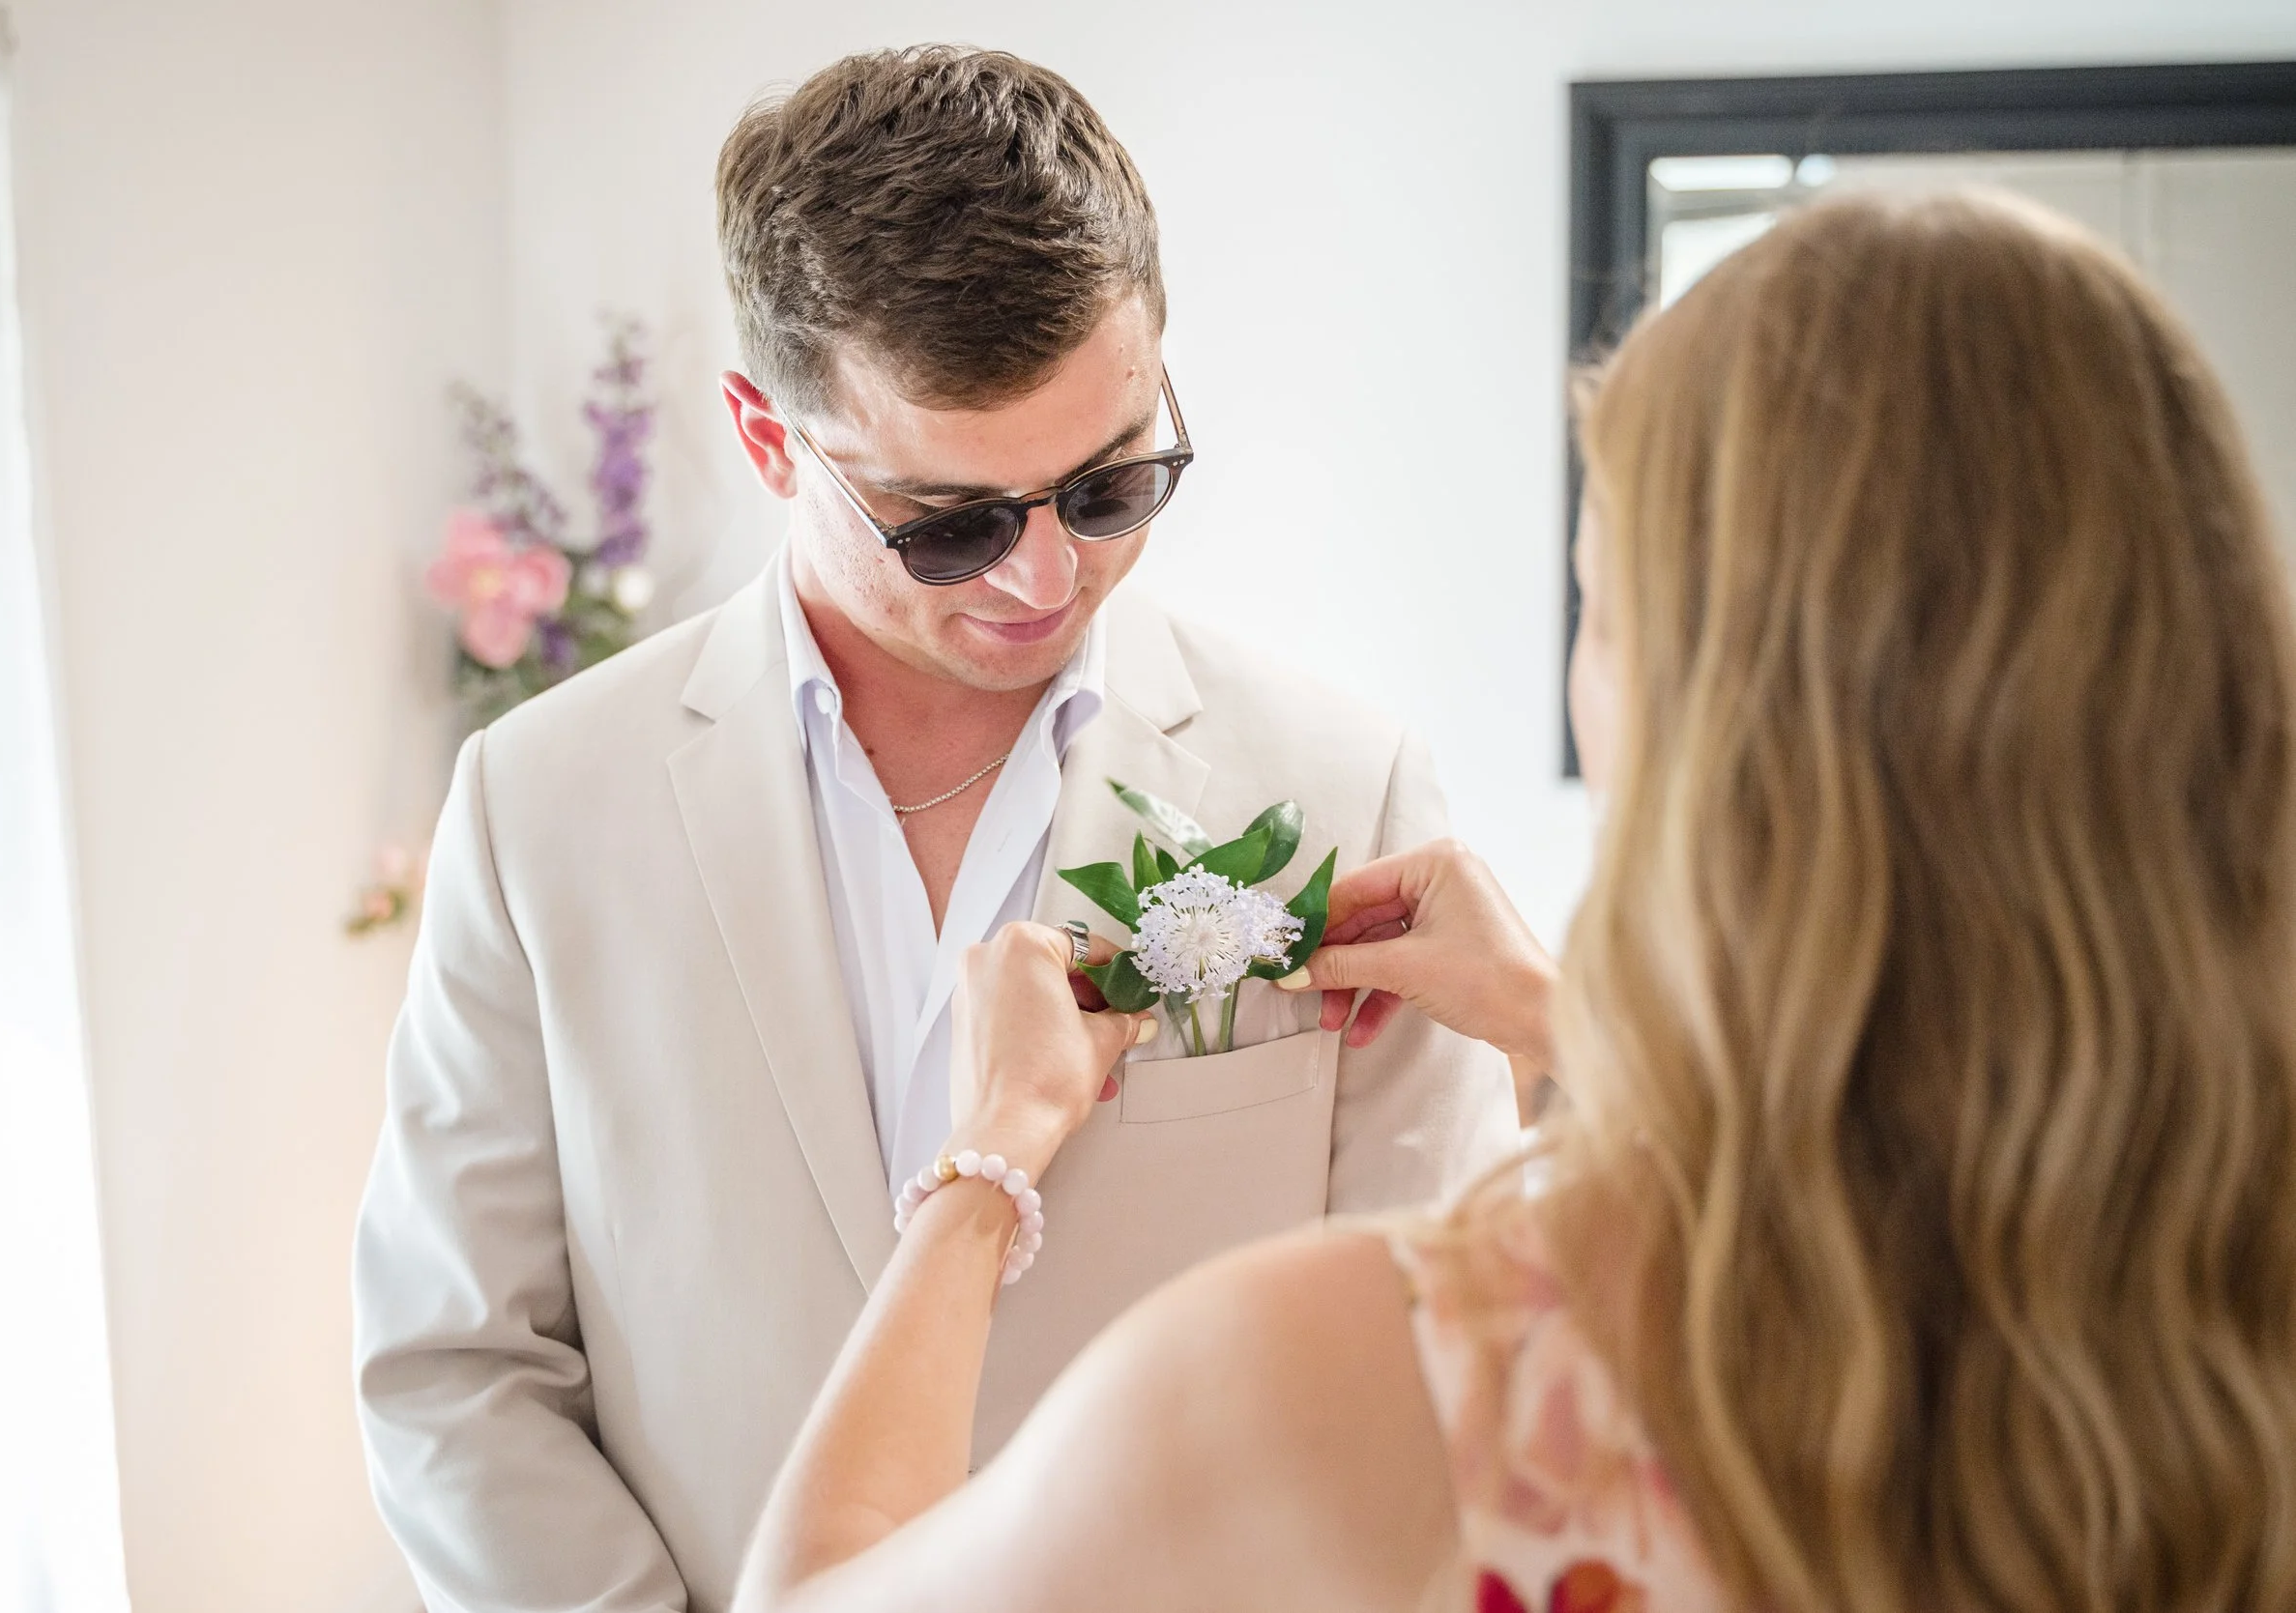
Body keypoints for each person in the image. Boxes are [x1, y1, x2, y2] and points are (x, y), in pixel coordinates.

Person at [727, 187, 2296, 1613]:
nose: (1044, 573)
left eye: (1595, 603)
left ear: (1688, 711)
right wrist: (1559, 1022)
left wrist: (989, 1165)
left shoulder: (1391, 1371)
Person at [351, 44, 1514, 1612]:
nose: (1045, 582)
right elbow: (459, 1366)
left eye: (1112, 485)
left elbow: (1443, 1350)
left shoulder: (1343, 790)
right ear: (768, 439)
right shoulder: (541, 805)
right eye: (951, 522)